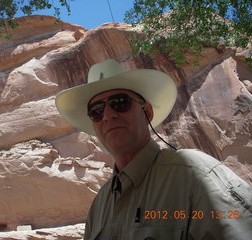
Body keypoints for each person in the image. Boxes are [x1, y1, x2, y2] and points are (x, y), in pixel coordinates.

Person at [55, 59, 252, 240]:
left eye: (119, 103)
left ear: (147, 112)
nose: (107, 115)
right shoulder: (99, 206)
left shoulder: (195, 176)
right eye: (96, 111)